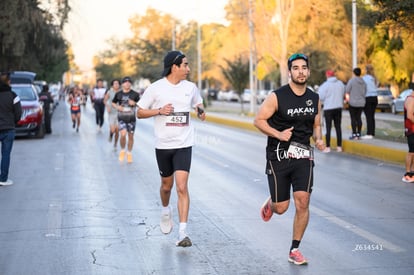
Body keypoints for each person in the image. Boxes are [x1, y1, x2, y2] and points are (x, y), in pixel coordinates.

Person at [254, 53, 325, 265]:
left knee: (303, 201)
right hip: (278, 156)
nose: (301, 71)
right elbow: (258, 121)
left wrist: (319, 139)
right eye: (296, 68)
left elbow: (317, 124)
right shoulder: (277, 96)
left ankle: (294, 249)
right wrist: (278, 134)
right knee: (282, 207)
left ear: (309, 71)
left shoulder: (314, 98)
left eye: (304, 68)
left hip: (303, 155)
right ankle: (272, 203)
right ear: (290, 72)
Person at [137, 50, 205, 247]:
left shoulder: (190, 88)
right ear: (174, 67)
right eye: (185, 65)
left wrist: (200, 110)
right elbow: (139, 112)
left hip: (184, 144)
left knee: (182, 186)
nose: (188, 69)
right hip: (163, 145)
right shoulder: (155, 88)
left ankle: (182, 233)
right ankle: (166, 210)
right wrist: (159, 111)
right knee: (167, 186)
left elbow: (198, 103)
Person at [0, 72, 22, 186]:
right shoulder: (13, 96)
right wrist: (13, 122)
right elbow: (19, 113)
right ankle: (3, 179)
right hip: (8, 129)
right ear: (8, 81)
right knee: (5, 154)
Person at [111, 77, 140, 163]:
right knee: (123, 134)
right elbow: (113, 102)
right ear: (122, 84)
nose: (127, 83)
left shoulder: (135, 94)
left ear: (131, 84)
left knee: (131, 136)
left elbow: (141, 104)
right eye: (125, 82)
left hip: (131, 119)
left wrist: (135, 103)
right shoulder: (118, 94)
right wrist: (117, 107)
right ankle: (123, 150)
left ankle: (129, 153)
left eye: (129, 82)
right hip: (121, 118)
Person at [318, 70, 345, 152]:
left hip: (328, 108)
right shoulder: (340, 84)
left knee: (328, 128)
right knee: (338, 127)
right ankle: (339, 146)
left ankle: (328, 147)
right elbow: (343, 93)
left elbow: (320, 96)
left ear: (327, 76)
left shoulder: (325, 85)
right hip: (338, 108)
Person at [346, 68, 367, 140]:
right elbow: (365, 91)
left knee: (353, 118)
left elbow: (347, 90)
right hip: (361, 103)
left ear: (354, 73)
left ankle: (354, 133)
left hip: (353, 103)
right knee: (359, 118)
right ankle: (359, 133)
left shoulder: (352, 81)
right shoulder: (363, 82)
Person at [362, 64, 378, 139]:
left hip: (368, 97)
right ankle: (372, 132)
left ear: (366, 70)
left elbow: (363, 88)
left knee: (368, 116)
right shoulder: (375, 78)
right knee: (372, 116)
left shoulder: (364, 78)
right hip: (375, 97)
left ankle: (369, 133)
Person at [104, 79, 120, 150]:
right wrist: (107, 106)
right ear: (112, 85)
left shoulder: (121, 92)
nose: (116, 85)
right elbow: (104, 100)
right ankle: (111, 135)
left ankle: (115, 144)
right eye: (115, 84)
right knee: (113, 130)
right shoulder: (109, 92)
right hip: (111, 113)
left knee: (117, 131)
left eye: (117, 83)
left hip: (120, 113)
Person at [402, 89, 414, 182]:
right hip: (411, 129)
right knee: (411, 152)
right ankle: (408, 173)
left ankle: (412, 173)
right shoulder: (411, 99)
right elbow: (410, 115)